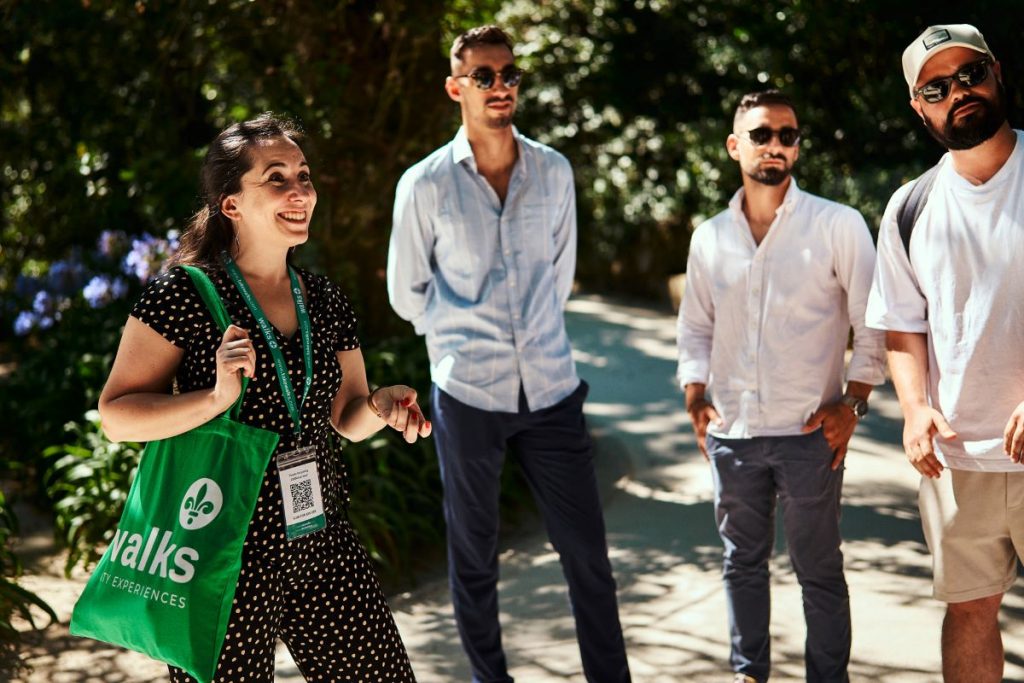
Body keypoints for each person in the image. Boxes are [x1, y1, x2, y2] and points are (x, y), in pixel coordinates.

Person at [97, 113, 430, 682]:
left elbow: (347, 417)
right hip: (221, 551)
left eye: (303, 175)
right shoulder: (183, 294)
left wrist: (381, 406)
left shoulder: (324, 299)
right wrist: (214, 398)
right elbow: (117, 417)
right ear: (231, 205)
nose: (300, 191)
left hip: (320, 539)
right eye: (277, 178)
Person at [386, 25, 630, 683]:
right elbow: (406, 293)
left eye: (509, 74)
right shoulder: (426, 185)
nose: (501, 86)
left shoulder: (553, 171)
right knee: (474, 556)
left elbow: (560, 272)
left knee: (588, 556)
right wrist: (460, 333)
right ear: (455, 87)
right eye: (485, 75)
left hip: (551, 388)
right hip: (469, 394)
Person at [676, 90, 886, 683]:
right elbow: (695, 326)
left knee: (818, 569)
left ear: (797, 146)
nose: (775, 146)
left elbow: (872, 322)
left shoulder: (838, 225)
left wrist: (854, 402)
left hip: (808, 435)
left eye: (787, 136)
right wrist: (696, 398)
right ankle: (749, 675)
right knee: (741, 563)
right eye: (762, 134)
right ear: (734, 145)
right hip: (733, 435)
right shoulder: (710, 237)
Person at [866, 24, 1024, 683]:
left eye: (970, 74)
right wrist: (915, 407)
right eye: (937, 86)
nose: (958, 91)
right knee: (969, 610)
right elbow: (903, 325)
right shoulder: (910, 207)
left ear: (996, 73)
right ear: (918, 107)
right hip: (960, 456)